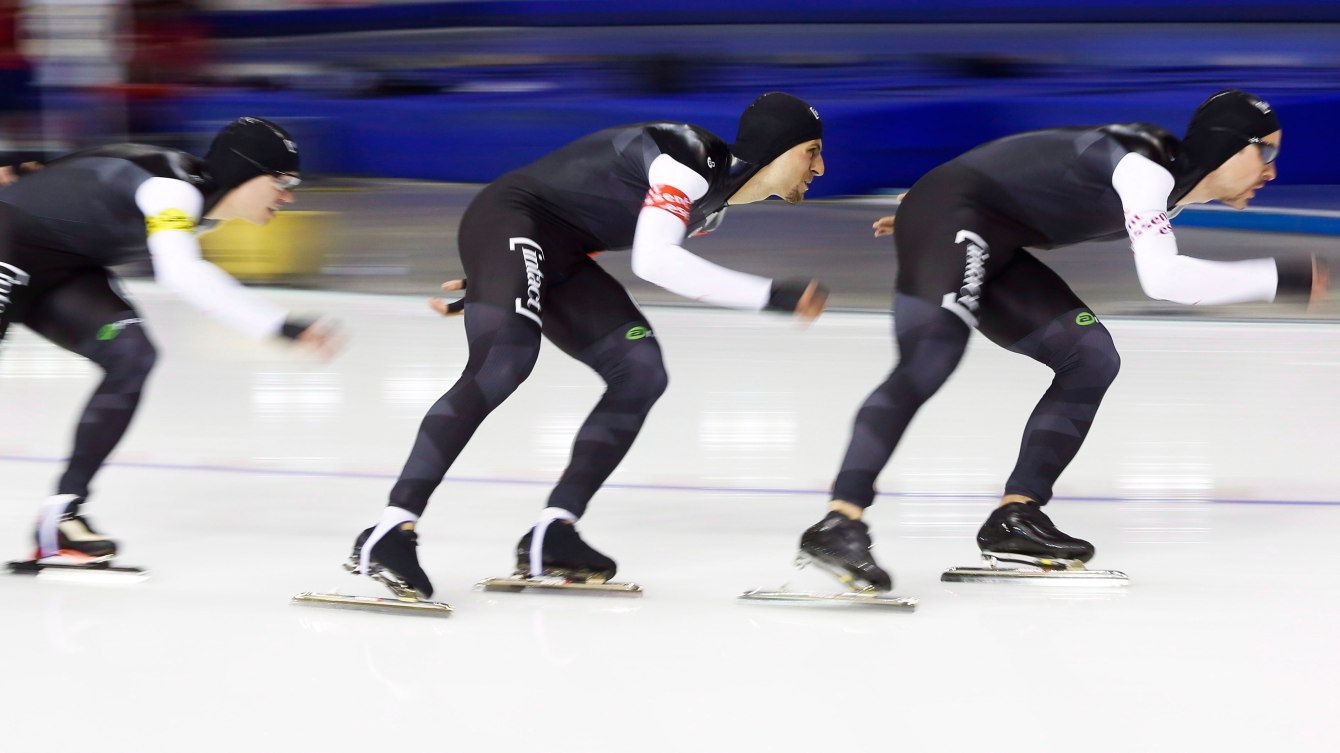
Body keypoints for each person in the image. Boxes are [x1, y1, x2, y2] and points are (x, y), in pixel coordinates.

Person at [797, 89, 1325, 590]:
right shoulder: (1146, 168)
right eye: (1266, 152)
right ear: (1228, 146)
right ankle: (839, 522)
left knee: (1090, 355)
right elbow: (1164, 281)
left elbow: (1040, 164)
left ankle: (1016, 517)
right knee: (932, 356)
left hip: (981, 227)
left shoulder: (1171, 184)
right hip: (956, 215)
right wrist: (1285, 279)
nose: (1273, 170)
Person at [351, 92, 828, 599]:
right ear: (775, 147)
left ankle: (552, 534)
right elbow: (655, 261)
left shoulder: (714, 207)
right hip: (513, 217)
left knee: (641, 372)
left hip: (561, 253)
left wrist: (501, 282)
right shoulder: (689, 160)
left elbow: (598, 206)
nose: (821, 168)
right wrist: (771, 295)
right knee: (504, 362)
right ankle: (389, 530)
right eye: (811, 151)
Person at [0, 116, 341, 566]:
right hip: (9, 246)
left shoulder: (200, 206)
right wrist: (278, 325)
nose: (288, 194)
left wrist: (35, 171)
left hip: (64, 273)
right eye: (281, 179)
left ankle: (61, 518)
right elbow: (181, 272)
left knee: (131, 355)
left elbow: (98, 168)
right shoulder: (173, 189)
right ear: (244, 171)